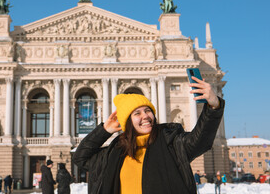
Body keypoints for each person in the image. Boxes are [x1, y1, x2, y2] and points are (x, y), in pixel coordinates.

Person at [73, 76, 225, 194]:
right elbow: (81, 158)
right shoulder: (115, 152)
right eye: (137, 113)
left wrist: (213, 106)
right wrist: (104, 130)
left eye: (148, 110)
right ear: (128, 122)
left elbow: (200, 140)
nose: (145, 116)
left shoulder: (171, 143)